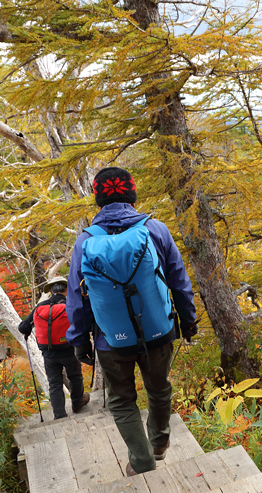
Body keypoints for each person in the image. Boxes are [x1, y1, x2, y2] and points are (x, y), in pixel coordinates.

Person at [65, 166, 197, 476]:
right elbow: (179, 281)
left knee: (122, 400)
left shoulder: (85, 241)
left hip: (110, 339)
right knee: (159, 389)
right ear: (132, 193)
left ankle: (141, 462)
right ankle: (159, 443)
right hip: (159, 330)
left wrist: (79, 342)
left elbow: (76, 298)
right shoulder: (156, 230)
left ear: (98, 198)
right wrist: (188, 323)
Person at [18, 276, 90, 419]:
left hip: (48, 352)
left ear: (50, 290)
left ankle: (59, 415)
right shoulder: (70, 305)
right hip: (69, 349)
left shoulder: (40, 307)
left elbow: (22, 327)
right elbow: (83, 323)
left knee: (54, 383)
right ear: (66, 289)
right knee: (75, 376)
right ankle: (77, 403)